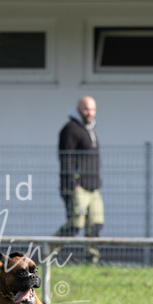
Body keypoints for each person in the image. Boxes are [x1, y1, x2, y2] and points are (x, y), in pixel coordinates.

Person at [55, 96, 103, 263]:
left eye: (93, 109)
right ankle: (48, 251)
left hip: (93, 187)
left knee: (95, 224)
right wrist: (72, 184)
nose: (90, 113)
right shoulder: (70, 129)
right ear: (78, 109)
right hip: (78, 187)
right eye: (86, 109)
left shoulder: (90, 129)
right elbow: (65, 158)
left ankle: (92, 261)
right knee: (76, 224)